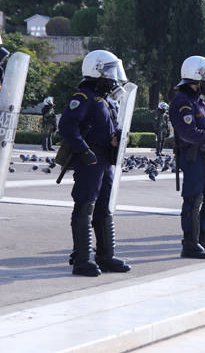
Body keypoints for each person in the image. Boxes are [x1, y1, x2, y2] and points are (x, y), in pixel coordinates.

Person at [58, 50, 131, 276]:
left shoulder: (108, 100)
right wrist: (84, 151)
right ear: (96, 70)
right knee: (85, 206)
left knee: (104, 207)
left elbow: (108, 128)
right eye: (109, 69)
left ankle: (106, 256)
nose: (113, 74)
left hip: (105, 159)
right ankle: (82, 259)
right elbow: (67, 127)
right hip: (89, 160)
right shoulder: (83, 97)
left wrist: (117, 137)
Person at [171, 55, 205, 259]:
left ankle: (203, 240)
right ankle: (190, 244)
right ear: (195, 78)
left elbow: (203, 128)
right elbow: (187, 132)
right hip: (193, 156)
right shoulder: (182, 101)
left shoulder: (198, 102)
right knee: (193, 200)